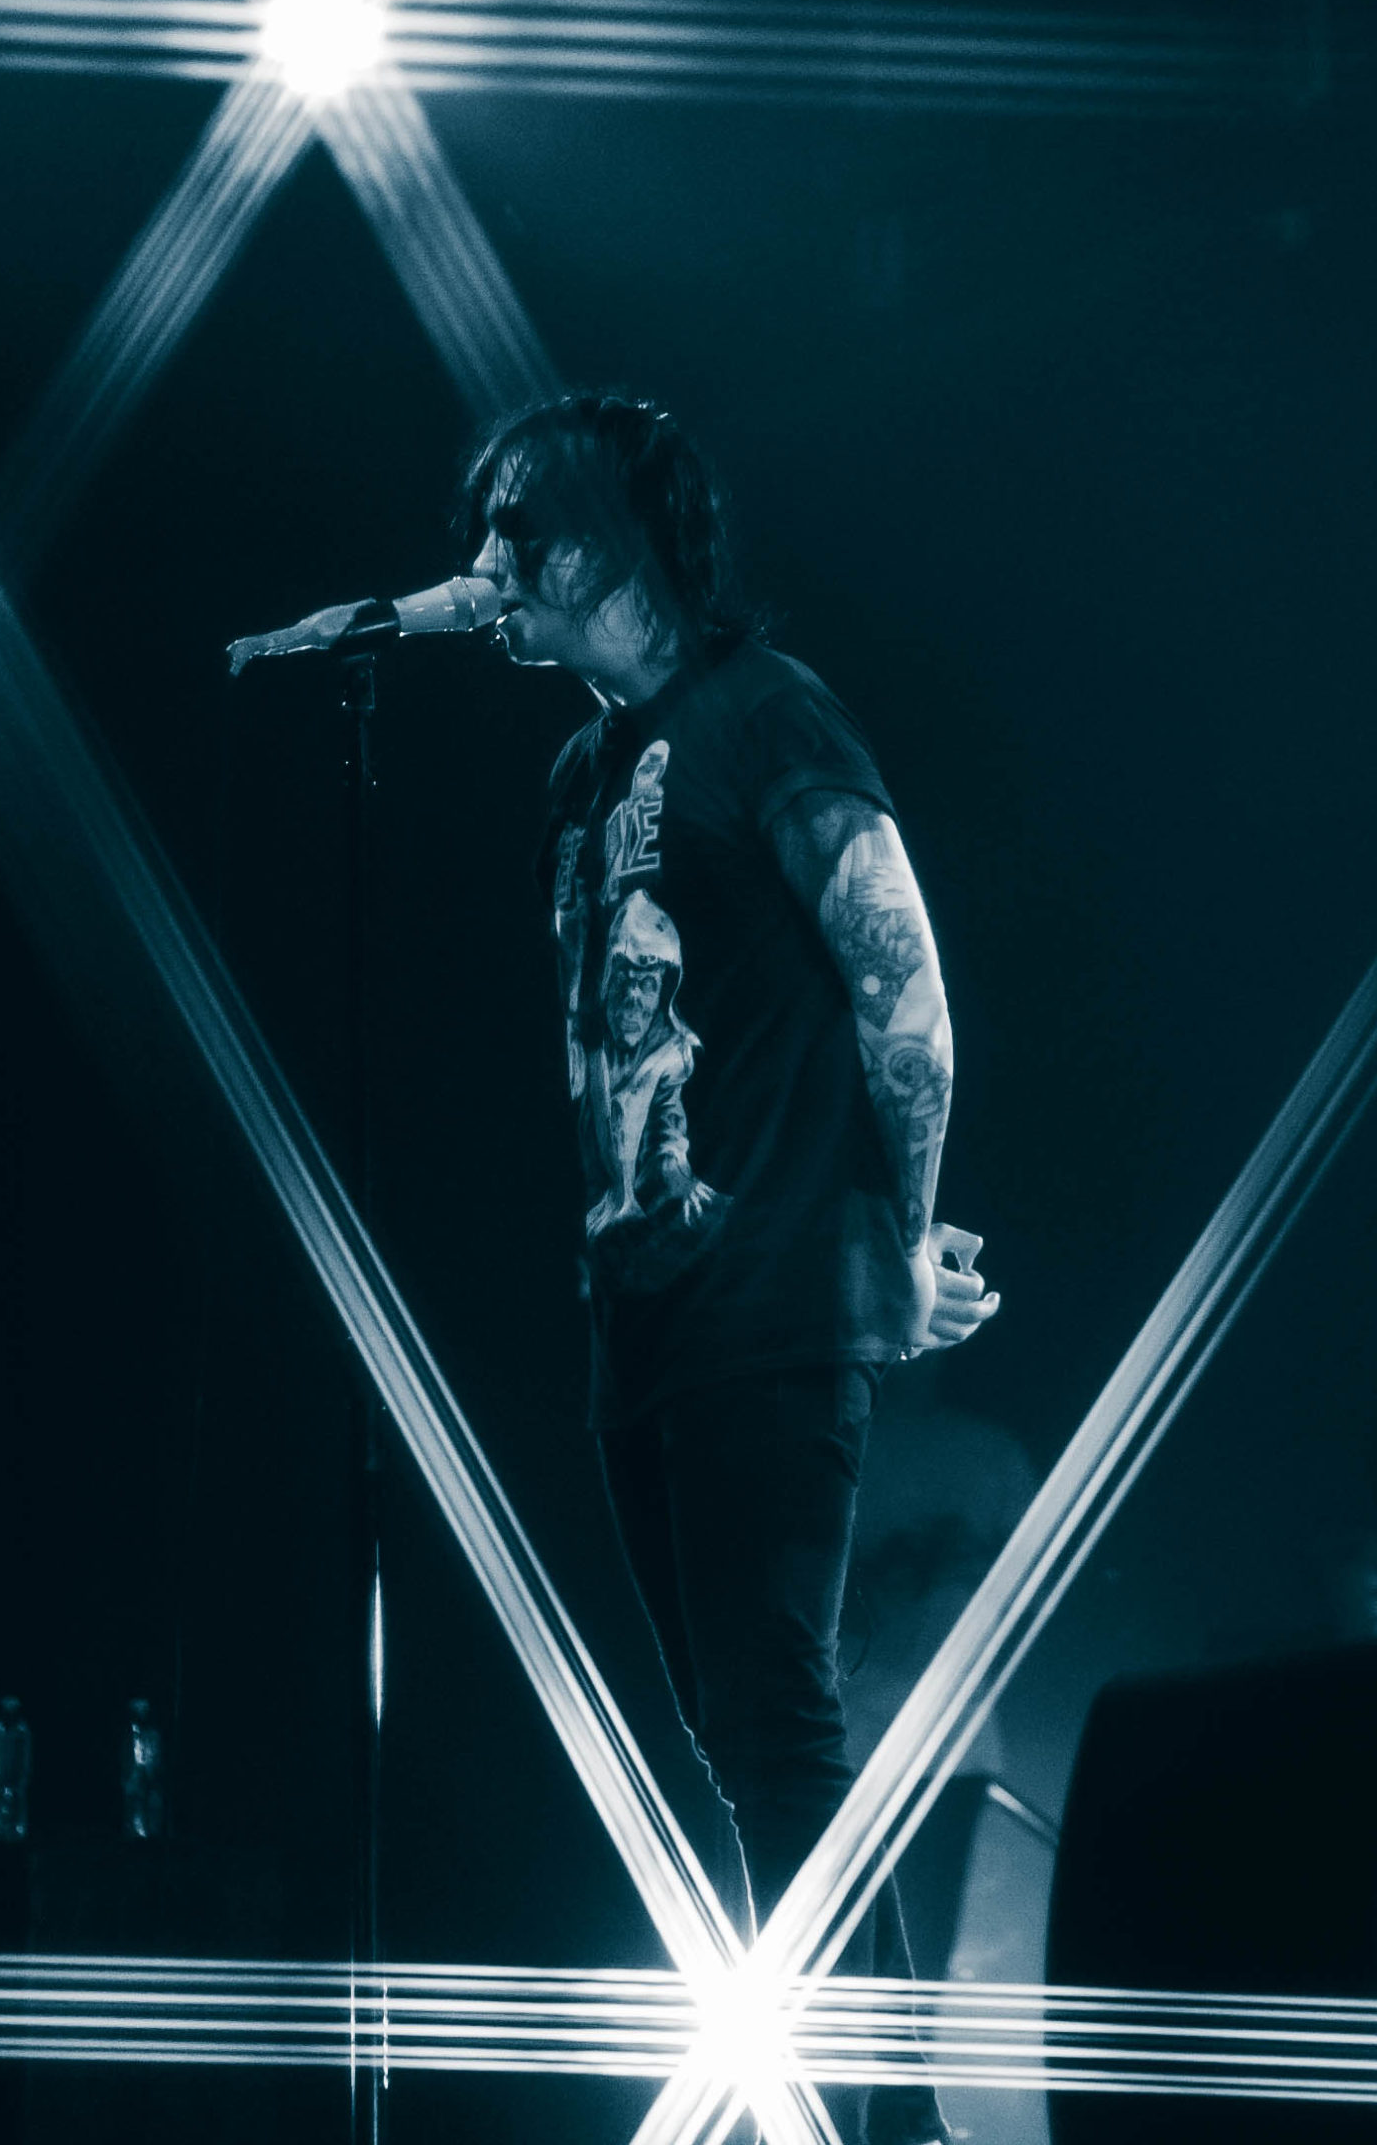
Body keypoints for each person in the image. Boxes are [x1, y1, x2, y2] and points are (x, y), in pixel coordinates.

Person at [461, 393, 997, 2145]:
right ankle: (872, 2111)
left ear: (615, 539)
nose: (489, 563)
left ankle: (891, 2127)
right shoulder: (582, 773)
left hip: (770, 1295)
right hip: (642, 1312)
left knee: (774, 1730)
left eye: (520, 525)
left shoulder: (768, 711)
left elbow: (901, 985)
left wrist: (896, 1238)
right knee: (736, 1740)